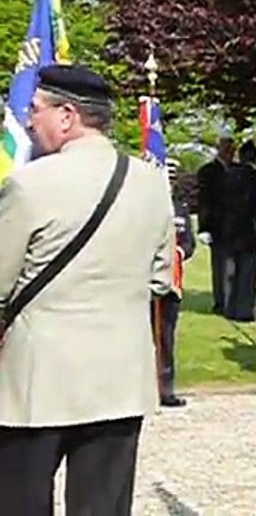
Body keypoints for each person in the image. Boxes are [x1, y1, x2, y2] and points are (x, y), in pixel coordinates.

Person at [0, 64, 174, 515]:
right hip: (120, 378)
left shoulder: (29, 184)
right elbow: (160, 279)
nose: (28, 121)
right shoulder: (152, 184)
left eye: (35, 109)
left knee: (19, 503)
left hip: (37, 379)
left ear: (67, 115)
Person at [152, 158, 196, 408]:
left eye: (171, 178)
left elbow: (189, 243)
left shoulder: (180, 209)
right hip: (146, 280)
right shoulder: (145, 206)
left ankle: (166, 387)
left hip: (172, 281)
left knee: (166, 336)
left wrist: (179, 251)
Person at [221, 140, 256, 322]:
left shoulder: (228, 176)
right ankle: (244, 309)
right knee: (247, 272)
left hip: (230, 228)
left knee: (230, 271)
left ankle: (229, 306)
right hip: (249, 229)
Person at [197, 133, 235, 314]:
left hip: (235, 226)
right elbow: (204, 201)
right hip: (217, 225)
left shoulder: (236, 170)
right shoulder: (208, 171)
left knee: (232, 267)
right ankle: (221, 301)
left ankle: (231, 300)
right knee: (220, 266)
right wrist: (204, 227)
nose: (229, 153)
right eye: (226, 149)